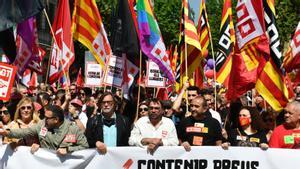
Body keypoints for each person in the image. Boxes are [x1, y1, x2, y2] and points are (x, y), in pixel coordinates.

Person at [0, 105, 89, 155]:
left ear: (56, 120)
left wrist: (68, 149)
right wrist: (7, 132)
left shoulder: (73, 129)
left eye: (47, 118)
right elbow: (25, 132)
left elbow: (85, 147)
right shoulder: (42, 125)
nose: (44, 120)